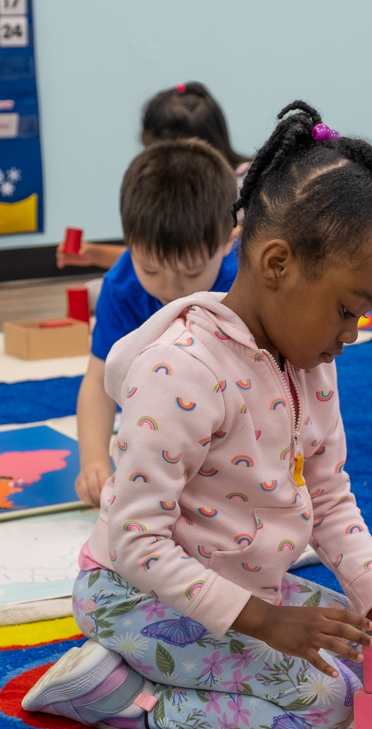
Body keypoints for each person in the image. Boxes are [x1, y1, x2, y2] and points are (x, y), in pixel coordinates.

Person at [23, 102, 372, 729]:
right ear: (276, 263)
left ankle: (171, 671)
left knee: (367, 649)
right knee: (328, 704)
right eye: (345, 309)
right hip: (134, 596)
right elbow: (139, 543)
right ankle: (129, 698)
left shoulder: (310, 361)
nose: (351, 334)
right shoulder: (180, 373)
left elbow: (331, 498)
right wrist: (264, 622)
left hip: (237, 586)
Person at [74, 139, 239, 506]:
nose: (170, 287)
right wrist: (94, 460)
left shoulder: (246, 284)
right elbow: (99, 381)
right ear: (130, 244)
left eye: (191, 272)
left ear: (228, 241)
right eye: (151, 268)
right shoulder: (122, 285)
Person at [57, 82, 250, 270]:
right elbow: (159, 261)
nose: (157, 168)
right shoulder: (169, 194)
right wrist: (94, 254)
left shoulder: (250, 186)